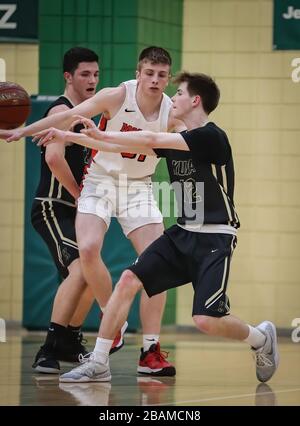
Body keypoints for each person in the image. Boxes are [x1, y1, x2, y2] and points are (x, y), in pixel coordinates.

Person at [35, 71, 279, 383]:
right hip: (184, 232)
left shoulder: (210, 137)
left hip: (216, 236)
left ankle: (260, 338)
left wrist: (91, 135)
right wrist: (76, 137)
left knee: (205, 319)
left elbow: (149, 138)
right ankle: (98, 362)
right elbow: (131, 144)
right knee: (127, 280)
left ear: (195, 100)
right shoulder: (175, 140)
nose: (172, 98)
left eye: (178, 93)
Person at [1, 47, 183, 376]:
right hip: (99, 180)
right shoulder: (116, 96)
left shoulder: (172, 111)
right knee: (87, 248)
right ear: (138, 73)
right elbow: (66, 116)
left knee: (160, 266)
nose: (155, 80)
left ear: (168, 78)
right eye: (149, 73)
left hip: (138, 186)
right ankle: (112, 321)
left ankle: (150, 351)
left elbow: (197, 134)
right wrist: (22, 131)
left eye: (161, 75)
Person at [30, 47, 123, 374]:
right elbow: (54, 158)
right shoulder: (62, 109)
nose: (92, 80)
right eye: (85, 74)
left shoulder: (88, 114)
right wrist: (80, 194)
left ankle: (69, 340)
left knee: (88, 269)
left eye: (96, 74)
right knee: (84, 269)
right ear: (68, 76)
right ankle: (50, 347)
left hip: (75, 210)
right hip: (53, 207)